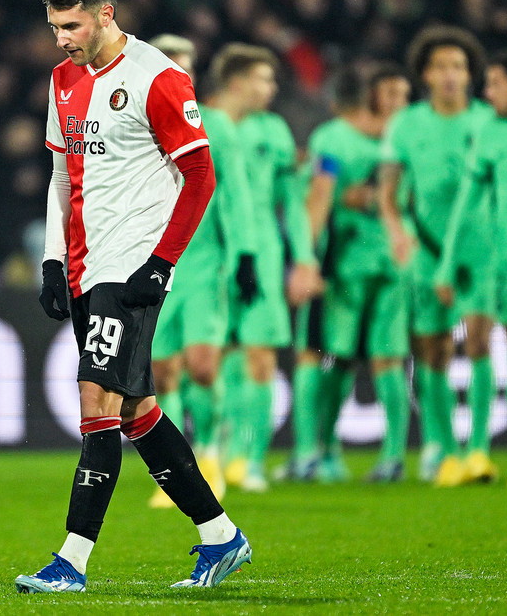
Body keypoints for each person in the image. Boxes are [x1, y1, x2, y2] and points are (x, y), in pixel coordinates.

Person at [17, 0, 251, 594]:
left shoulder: (158, 78)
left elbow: (201, 177)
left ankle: (71, 562)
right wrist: (50, 259)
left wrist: (161, 264)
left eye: (71, 26)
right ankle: (220, 536)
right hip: (87, 265)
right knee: (136, 409)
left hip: (132, 267)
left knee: (97, 402)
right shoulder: (62, 80)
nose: (61, 38)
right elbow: (63, 177)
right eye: (54, 27)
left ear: (105, 15)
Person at [380, 25, 495, 488]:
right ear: (426, 74)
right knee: (433, 350)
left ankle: (480, 449)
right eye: (442, 66)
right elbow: (388, 193)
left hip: (480, 249)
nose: (451, 75)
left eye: (459, 66)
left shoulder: (488, 121)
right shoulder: (407, 124)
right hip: (426, 251)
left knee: (482, 341)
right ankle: (443, 447)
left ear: (470, 74)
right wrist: (396, 233)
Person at [147, 34, 259, 508]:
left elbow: (234, 196)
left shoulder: (215, 126)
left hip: (204, 262)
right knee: (161, 372)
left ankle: (210, 455)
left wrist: (246, 254)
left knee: (203, 366)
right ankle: (173, 474)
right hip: (152, 266)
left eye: (186, 67)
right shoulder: (137, 124)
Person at [208, 44, 323, 492]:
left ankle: (249, 460)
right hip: (209, 257)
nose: (271, 89)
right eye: (263, 79)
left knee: (259, 356)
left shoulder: (273, 130)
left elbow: (292, 203)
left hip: (264, 254)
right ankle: (214, 453)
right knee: (213, 361)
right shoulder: (201, 123)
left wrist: (305, 260)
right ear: (237, 82)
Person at [434, 49, 507, 489]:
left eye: (494, 84)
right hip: (492, 257)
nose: (487, 93)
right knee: (482, 342)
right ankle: (484, 450)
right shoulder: (490, 132)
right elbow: (467, 202)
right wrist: (448, 262)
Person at [302, 65, 413, 483]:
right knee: (338, 359)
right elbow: (321, 197)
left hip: (394, 262)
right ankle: (324, 450)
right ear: (369, 96)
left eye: (403, 93)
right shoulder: (333, 139)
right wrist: (307, 256)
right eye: (389, 93)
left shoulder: (409, 136)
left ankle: (395, 457)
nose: (397, 101)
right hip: (345, 264)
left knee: (388, 359)